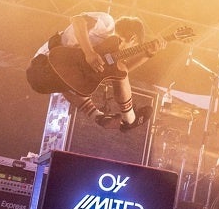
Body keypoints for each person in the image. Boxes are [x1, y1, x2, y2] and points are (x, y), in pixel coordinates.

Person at [26, 11, 164, 131]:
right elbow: (78, 20)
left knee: (85, 77)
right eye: (132, 48)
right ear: (133, 39)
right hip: (42, 65)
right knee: (113, 69)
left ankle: (97, 116)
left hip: (46, 81)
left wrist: (147, 55)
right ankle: (130, 119)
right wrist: (89, 53)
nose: (126, 55)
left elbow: (120, 73)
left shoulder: (106, 54)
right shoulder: (107, 24)